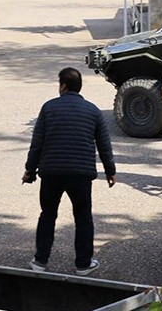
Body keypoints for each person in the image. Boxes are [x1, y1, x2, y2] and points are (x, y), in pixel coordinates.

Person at [23, 67, 116, 275]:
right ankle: (83, 264)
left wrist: (30, 170)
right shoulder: (93, 111)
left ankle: (40, 261)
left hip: (51, 172)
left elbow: (37, 143)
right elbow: (104, 145)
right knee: (83, 217)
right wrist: (110, 171)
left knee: (47, 215)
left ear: (63, 86)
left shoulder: (48, 108)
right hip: (81, 175)